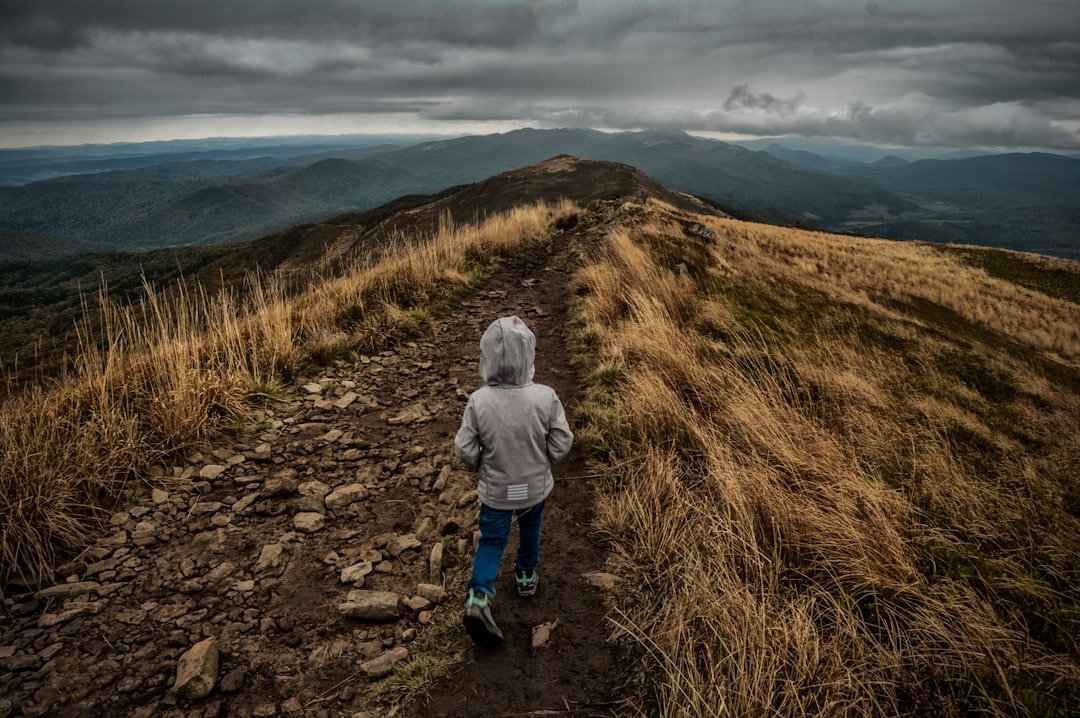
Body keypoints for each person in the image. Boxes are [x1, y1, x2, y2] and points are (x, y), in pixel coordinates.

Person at [454, 315, 574, 647]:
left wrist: (482, 464)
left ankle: (478, 598)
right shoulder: (546, 397)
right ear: (530, 355)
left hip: (496, 491)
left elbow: (464, 449)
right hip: (534, 487)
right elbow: (563, 442)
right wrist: (543, 459)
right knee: (530, 528)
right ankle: (525, 576)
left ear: (486, 357)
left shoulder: (479, 401)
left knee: (492, 541)